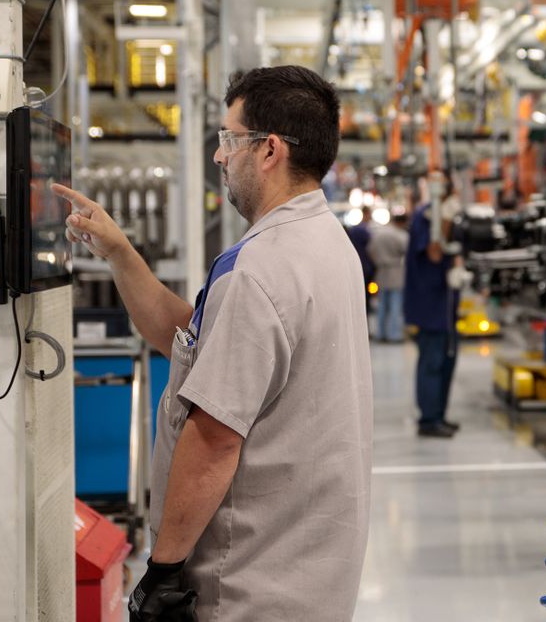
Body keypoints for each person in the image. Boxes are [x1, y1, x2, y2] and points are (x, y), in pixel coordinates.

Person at [53, 66, 371, 622]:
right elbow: (193, 341)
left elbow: (216, 438)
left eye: (229, 139)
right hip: (307, 570)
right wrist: (121, 253)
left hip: (247, 580)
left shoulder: (260, 269)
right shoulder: (325, 242)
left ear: (269, 150)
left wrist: (164, 570)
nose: (220, 156)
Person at [403, 175, 471, 438]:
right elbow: (434, 251)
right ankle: (429, 419)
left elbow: (453, 250)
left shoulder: (445, 215)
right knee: (432, 361)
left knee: (447, 360)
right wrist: (443, 219)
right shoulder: (425, 217)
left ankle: (440, 414)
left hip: (445, 303)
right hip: (429, 305)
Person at [367, 211, 409, 342]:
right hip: (397, 271)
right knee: (395, 305)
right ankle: (394, 334)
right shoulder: (402, 235)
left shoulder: (379, 233)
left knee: (381, 306)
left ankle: (381, 333)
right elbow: (406, 252)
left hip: (381, 271)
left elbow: (370, 250)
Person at [346, 205, 375, 296]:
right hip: (366, 265)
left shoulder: (354, 229)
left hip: (355, 263)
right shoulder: (364, 231)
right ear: (366, 214)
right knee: (366, 292)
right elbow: (371, 249)